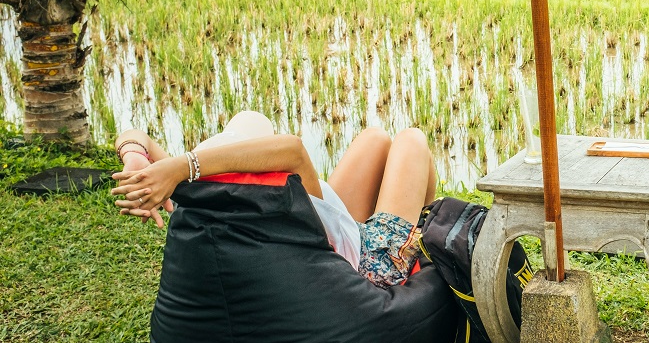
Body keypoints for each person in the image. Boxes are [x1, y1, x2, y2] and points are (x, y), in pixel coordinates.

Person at [112, 111, 437, 287]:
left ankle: (414, 228)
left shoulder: (201, 189)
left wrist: (135, 156)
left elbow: (133, 136)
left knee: (376, 139)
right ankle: (419, 252)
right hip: (368, 261)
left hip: (328, 222)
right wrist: (182, 165)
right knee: (411, 140)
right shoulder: (227, 176)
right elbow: (293, 150)